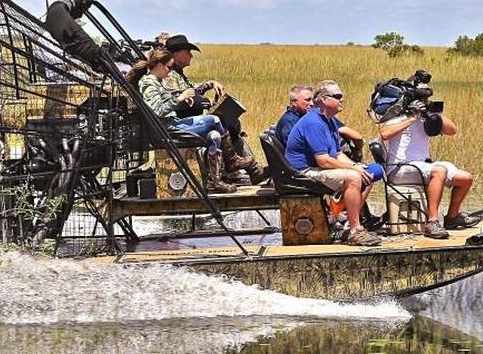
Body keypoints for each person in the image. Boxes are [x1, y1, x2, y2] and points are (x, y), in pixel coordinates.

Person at [285, 81, 385, 246]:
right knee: (354, 178)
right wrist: (354, 170)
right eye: (337, 96)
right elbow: (323, 160)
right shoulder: (313, 122)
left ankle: (348, 222)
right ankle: (355, 231)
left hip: (316, 168)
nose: (342, 99)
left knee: (370, 172)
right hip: (303, 172)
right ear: (324, 100)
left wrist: (357, 166)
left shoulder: (329, 120)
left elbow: (337, 154)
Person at [126, 48, 236, 193]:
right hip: (166, 130)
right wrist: (179, 99)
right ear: (159, 65)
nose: (170, 72)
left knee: (214, 135)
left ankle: (216, 181)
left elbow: (167, 99)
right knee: (214, 120)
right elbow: (157, 110)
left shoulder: (156, 82)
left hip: (171, 126)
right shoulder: (148, 83)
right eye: (168, 67)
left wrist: (183, 98)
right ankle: (232, 161)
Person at [163, 34, 265, 185]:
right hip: (181, 124)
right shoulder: (169, 76)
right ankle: (240, 169)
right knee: (225, 121)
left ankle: (245, 169)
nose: (191, 55)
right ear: (176, 54)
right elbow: (184, 100)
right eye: (187, 51)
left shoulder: (177, 75)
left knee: (232, 122)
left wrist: (211, 84)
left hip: (188, 121)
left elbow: (192, 91)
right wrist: (208, 103)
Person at [377, 99, 478, 239]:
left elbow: (452, 130)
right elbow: (385, 134)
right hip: (399, 169)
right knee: (439, 171)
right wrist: (412, 118)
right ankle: (432, 222)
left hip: (421, 166)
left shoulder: (428, 119)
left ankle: (452, 217)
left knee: (465, 179)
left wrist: (435, 112)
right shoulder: (398, 118)